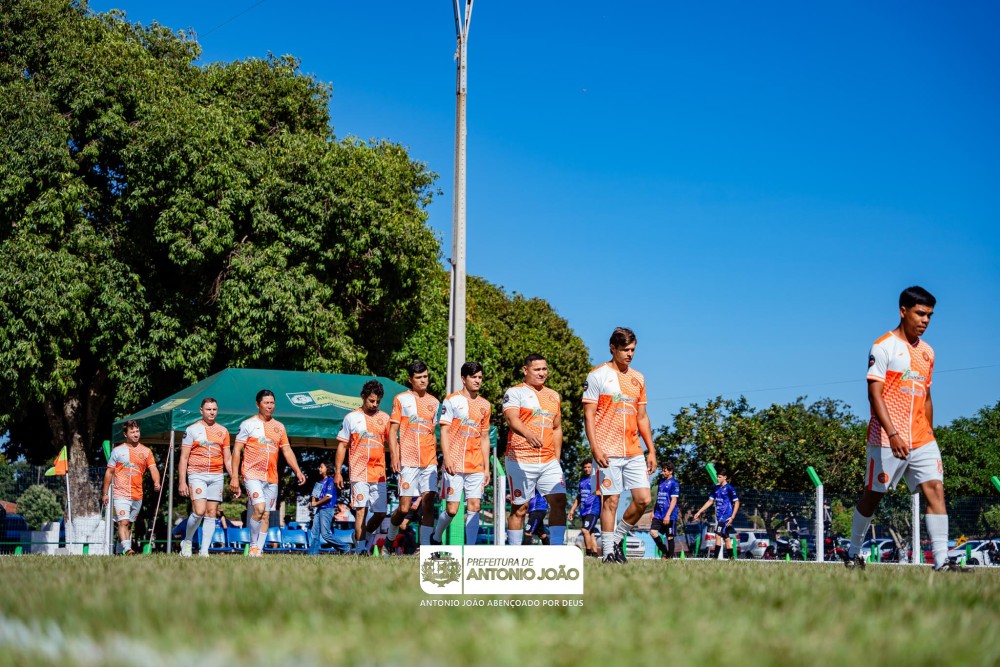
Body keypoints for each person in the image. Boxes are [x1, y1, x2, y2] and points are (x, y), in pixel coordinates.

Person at [845, 286, 970, 573]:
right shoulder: (883, 346)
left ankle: (941, 561)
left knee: (935, 489)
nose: (925, 320)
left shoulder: (928, 352)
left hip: (922, 438)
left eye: (930, 316)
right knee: (873, 495)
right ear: (903, 311)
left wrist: (930, 433)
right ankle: (852, 553)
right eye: (920, 313)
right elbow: (874, 395)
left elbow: (926, 396)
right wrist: (893, 433)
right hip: (887, 438)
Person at [583, 327, 657, 564]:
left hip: (634, 449)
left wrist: (651, 449)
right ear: (612, 348)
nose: (630, 354)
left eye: (632, 349)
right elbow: (588, 415)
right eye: (625, 349)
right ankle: (607, 554)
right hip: (607, 449)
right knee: (611, 500)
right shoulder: (597, 375)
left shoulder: (639, 378)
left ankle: (614, 540)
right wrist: (595, 447)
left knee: (643, 499)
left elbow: (642, 417)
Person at [230, 389, 306, 557]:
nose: (270, 406)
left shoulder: (279, 427)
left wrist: (297, 470)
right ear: (258, 404)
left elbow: (287, 450)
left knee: (265, 515)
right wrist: (234, 476)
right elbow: (236, 451)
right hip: (252, 474)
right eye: (266, 403)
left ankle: (258, 550)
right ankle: (253, 545)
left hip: (272, 477)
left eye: (272, 403)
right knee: (259, 508)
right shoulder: (247, 424)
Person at [502, 353, 567, 546]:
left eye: (544, 369)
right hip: (520, 459)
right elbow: (512, 419)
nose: (542, 373)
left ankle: (556, 549)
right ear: (525, 370)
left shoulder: (553, 395)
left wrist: (556, 458)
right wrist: (528, 434)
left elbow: (557, 428)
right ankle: (514, 553)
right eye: (537, 369)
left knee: (559, 500)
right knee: (520, 508)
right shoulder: (515, 392)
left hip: (548, 460)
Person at [432, 361, 491, 545]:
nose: (477, 380)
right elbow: (444, 431)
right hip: (455, 463)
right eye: (473, 377)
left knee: (475, 506)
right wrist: (447, 458)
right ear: (463, 379)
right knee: (452, 509)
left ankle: (470, 550)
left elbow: (484, 438)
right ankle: (436, 537)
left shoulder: (485, 405)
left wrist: (486, 468)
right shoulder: (451, 400)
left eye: (480, 377)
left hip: (476, 464)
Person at [386, 361, 441, 548]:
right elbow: (392, 431)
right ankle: (389, 540)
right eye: (419, 377)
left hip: (429, 460)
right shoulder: (401, 399)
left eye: (425, 376)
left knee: (428, 503)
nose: (423, 380)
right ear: (410, 380)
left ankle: (424, 548)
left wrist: (437, 458)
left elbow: (433, 432)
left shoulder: (435, 402)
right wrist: (394, 455)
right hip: (408, 460)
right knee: (404, 508)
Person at [334, 380, 391, 555]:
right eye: (371, 401)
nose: (374, 404)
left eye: (378, 402)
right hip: (359, 472)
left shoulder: (385, 418)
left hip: (379, 473)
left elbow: (393, 444)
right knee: (361, 510)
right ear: (363, 397)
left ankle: (360, 537)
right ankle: (360, 550)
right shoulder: (351, 418)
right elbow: (342, 446)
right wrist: (338, 472)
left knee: (381, 513)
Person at [178, 397, 232, 557]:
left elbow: (228, 459)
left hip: (217, 475)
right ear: (201, 411)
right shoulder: (192, 430)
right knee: (199, 511)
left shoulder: (223, 431)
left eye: (214, 409)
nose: (212, 412)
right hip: (196, 474)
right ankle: (187, 541)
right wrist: (182, 481)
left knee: (211, 512)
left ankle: (204, 550)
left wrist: (234, 478)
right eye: (208, 409)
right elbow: (184, 458)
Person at [102, 420, 161, 555]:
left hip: (137, 494)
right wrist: (105, 493)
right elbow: (109, 472)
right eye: (132, 432)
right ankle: (128, 549)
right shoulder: (117, 451)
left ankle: (119, 551)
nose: (136, 434)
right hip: (120, 494)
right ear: (125, 434)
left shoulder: (146, 451)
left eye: (137, 431)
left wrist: (156, 481)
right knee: (123, 522)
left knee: (129, 525)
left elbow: (153, 468)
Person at [693, 466, 739, 559]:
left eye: (720, 477)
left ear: (725, 477)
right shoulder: (716, 488)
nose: (718, 478)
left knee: (718, 535)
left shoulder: (729, 488)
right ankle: (732, 559)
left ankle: (715, 558)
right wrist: (699, 512)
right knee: (726, 537)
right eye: (717, 476)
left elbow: (737, 502)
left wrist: (732, 517)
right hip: (719, 516)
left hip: (726, 516)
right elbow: (710, 501)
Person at [568, 461, 601, 557]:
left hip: (593, 510)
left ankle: (588, 553)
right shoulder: (582, 480)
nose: (587, 469)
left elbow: (602, 495)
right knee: (590, 533)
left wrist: (603, 509)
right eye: (585, 467)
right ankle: (595, 554)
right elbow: (579, 496)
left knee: (585, 530)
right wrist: (572, 510)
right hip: (584, 510)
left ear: (592, 468)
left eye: (589, 467)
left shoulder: (596, 479)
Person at [651, 461, 680, 559]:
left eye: (665, 471)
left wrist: (668, 515)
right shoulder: (660, 481)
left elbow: (674, 500)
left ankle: (669, 558)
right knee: (653, 532)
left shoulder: (674, 484)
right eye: (662, 470)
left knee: (669, 537)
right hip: (658, 514)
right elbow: (658, 497)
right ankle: (664, 551)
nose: (662, 472)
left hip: (669, 515)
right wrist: (653, 511)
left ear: (671, 471)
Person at [308, 460, 337, 555]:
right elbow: (314, 494)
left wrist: (316, 503)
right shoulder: (320, 482)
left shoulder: (330, 480)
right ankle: (313, 554)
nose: (319, 469)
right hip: (319, 509)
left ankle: (345, 547)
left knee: (325, 534)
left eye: (321, 467)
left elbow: (328, 496)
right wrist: (313, 500)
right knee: (314, 532)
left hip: (327, 509)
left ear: (327, 469)